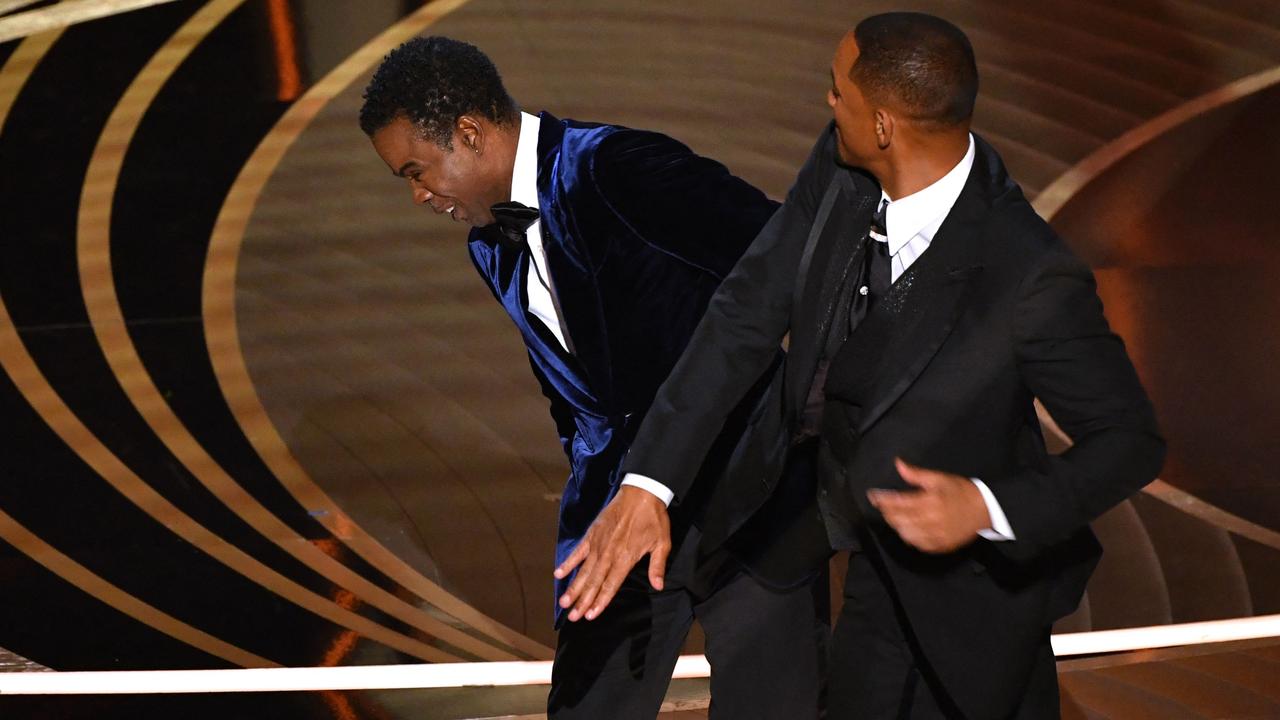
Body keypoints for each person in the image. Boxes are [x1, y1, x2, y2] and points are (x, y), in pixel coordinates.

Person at [556, 13, 1165, 719]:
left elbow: (1130, 441)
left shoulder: (1028, 274)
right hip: (841, 525)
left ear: (883, 125)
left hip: (969, 589)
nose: (827, 102)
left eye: (836, 90)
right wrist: (647, 484)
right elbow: (744, 314)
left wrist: (987, 507)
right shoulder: (844, 163)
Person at [359, 36, 825, 719]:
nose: (418, 196)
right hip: (618, 511)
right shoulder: (490, 245)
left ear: (468, 133)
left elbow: (786, 260)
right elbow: (569, 391)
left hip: (749, 492)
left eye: (416, 171)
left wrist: (812, 412)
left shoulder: (618, 168)